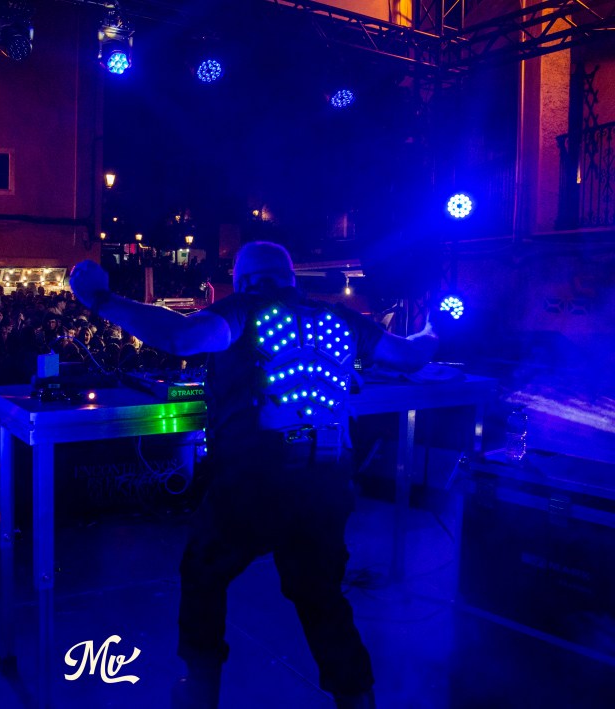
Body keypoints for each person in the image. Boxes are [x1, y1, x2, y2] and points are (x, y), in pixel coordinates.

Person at [69, 242, 438, 709]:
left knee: (204, 575)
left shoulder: (244, 309)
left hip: (252, 482)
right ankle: (356, 699)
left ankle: (199, 692)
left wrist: (100, 299)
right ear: (292, 279)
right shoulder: (340, 318)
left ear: (242, 281)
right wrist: (434, 329)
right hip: (325, 482)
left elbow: (181, 337)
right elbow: (410, 356)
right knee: (321, 597)